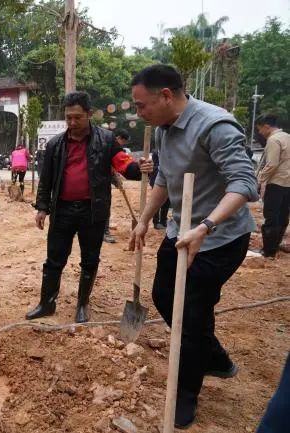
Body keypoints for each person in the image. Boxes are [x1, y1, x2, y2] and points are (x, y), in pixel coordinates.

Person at [129, 64, 258, 429]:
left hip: (219, 238)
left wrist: (206, 226)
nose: (139, 113)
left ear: (166, 95)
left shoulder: (215, 126)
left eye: (141, 105)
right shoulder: (162, 130)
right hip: (180, 231)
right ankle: (214, 356)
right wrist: (144, 219)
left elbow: (244, 184)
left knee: (192, 313)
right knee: (163, 295)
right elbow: (164, 178)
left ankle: (186, 393)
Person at [27, 91, 153, 323]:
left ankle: (83, 304)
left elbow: (125, 167)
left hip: (93, 211)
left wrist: (140, 168)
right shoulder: (55, 145)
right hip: (62, 210)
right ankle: (47, 303)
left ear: (89, 114)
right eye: (68, 118)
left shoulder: (106, 140)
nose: (72, 122)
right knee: (54, 259)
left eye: (77, 117)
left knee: (90, 259)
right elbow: (46, 180)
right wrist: (42, 208)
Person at [254, 114, 290, 257]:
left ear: (266, 126)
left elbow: (272, 164)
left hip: (276, 184)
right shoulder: (287, 136)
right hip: (288, 183)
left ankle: (268, 250)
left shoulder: (273, 140)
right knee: (283, 216)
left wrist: (259, 180)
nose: (260, 132)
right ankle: (275, 245)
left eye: (260, 129)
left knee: (271, 216)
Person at [103, 129, 132, 244]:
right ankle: (104, 232)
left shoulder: (112, 147)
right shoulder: (108, 146)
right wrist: (116, 181)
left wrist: (117, 181)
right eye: (123, 141)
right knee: (103, 207)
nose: (123, 145)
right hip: (97, 183)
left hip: (103, 181)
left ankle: (102, 230)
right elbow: (108, 169)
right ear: (119, 138)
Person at [150, 150, 170, 230]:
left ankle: (163, 220)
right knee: (157, 201)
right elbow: (155, 167)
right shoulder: (156, 153)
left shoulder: (168, 152)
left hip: (167, 180)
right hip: (157, 181)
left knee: (167, 202)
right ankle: (156, 222)